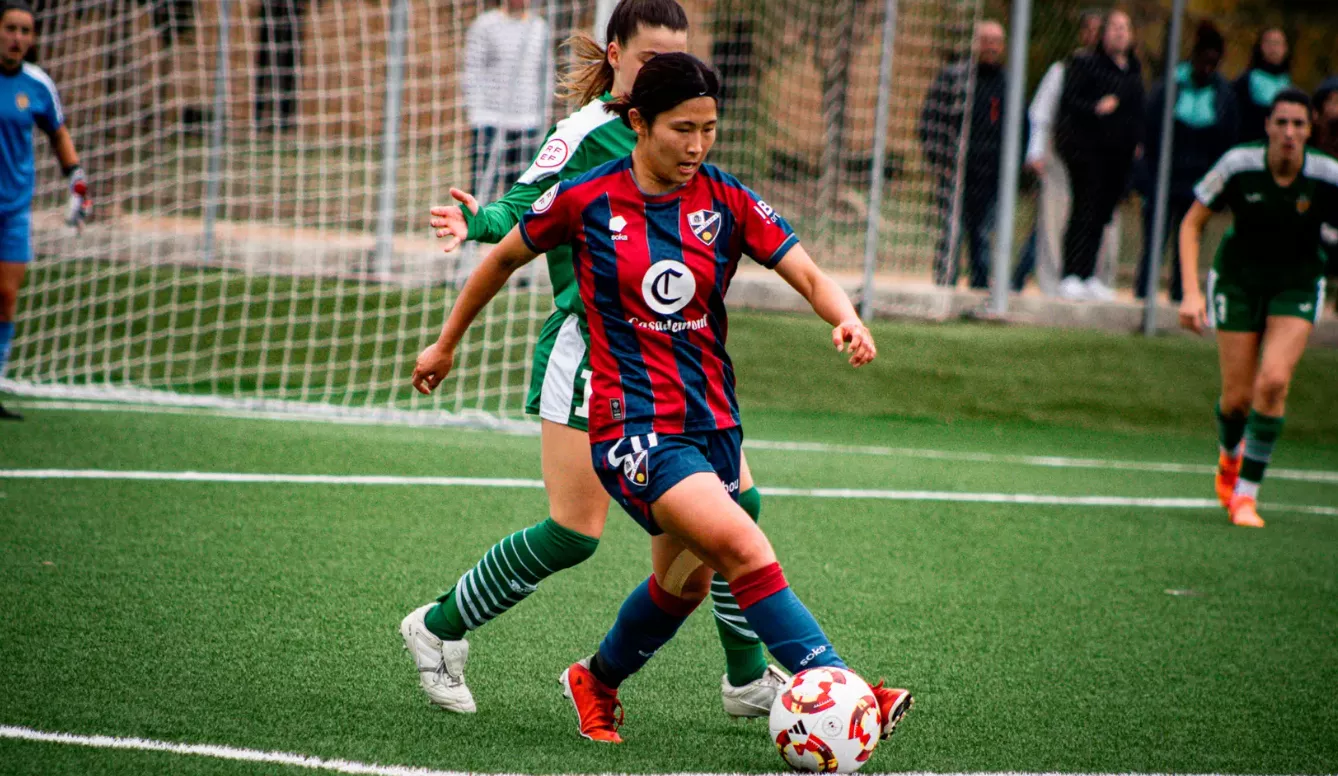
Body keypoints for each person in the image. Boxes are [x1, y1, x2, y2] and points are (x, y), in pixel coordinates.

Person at [412, 51, 912, 745]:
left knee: (685, 586)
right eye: (684, 128)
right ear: (640, 123)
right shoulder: (588, 197)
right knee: (742, 543)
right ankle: (847, 690)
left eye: (710, 128)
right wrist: (446, 343)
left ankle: (596, 679)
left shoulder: (726, 198)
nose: (698, 145)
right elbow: (502, 258)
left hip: (713, 422)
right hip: (632, 428)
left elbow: (803, 267)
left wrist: (844, 317)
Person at [404, 0, 788, 720]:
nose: (662, 74)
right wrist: (477, 222)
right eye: (647, 60)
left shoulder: (679, 129)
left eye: (673, 59)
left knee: (736, 507)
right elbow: (524, 208)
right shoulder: (585, 135)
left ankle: (745, 679)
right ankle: (438, 626)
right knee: (573, 534)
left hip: (668, 358)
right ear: (615, 56)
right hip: (592, 354)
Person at [1177, 89, 1337, 528]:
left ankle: (1245, 496)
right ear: (1267, 125)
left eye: (1299, 124)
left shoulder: (1328, 174)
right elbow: (1191, 224)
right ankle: (1229, 458)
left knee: (1274, 382)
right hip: (1238, 282)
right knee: (1237, 401)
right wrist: (1191, 293)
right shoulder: (1238, 164)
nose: (1289, 132)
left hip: (1296, 285)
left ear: (1310, 130)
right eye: (1281, 122)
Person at [0, 0, 89, 421]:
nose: (17, 37)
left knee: (5, 297)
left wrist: (76, 182)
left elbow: (58, 133)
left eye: (25, 31)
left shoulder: (37, 85)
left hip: (13, 208)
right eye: (10, 28)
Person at [1018, 10, 1123, 296]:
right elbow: (1041, 113)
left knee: (1098, 221)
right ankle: (1053, 283)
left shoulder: (1116, 71)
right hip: (1063, 155)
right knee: (1055, 220)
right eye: (1089, 30)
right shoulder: (1064, 69)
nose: (1094, 36)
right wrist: (1036, 152)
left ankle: (1094, 279)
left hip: (1098, 160)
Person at [1135, 22, 1237, 303]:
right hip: (1164, 176)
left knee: (1188, 237)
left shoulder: (1222, 95)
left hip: (1198, 180)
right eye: (1203, 60)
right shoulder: (1170, 87)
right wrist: (1146, 174)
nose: (1207, 68)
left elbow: (1226, 138)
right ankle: (1144, 296)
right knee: (1155, 236)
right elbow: (1149, 129)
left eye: (1213, 62)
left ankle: (1181, 295)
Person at [1055, 10, 1144, 301]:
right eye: (1114, 27)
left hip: (1117, 157)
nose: (1120, 32)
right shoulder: (1085, 64)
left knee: (1102, 216)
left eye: (1125, 27)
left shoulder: (1133, 71)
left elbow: (1137, 111)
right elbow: (1069, 101)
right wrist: (1095, 108)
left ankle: (1089, 275)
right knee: (1084, 209)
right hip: (1087, 152)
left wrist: (1137, 142)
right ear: (1103, 34)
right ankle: (1071, 274)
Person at [918, 21, 1007, 289]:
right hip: (955, 172)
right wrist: (941, 160)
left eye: (996, 41)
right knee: (951, 233)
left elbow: (1020, 130)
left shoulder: (1007, 84)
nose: (990, 46)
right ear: (975, 43)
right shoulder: (953, 78)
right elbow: (929, 122)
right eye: (985, 40)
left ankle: (980, 291)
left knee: (983, 235)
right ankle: (945, 286)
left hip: (991, 176)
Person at [463, 0, 551, 204]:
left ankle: (513, 235)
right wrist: (476, 113)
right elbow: (473, 70)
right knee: (482, 186)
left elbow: (545, 74)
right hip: (490, 119)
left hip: (527, 122)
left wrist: (541, 115)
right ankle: (472, 232)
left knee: (521, 190)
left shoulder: (539, 27)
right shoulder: (485, 25)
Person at [254, 0, 308, 133]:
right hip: (271, 9)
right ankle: (259, 118)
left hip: (294, 12)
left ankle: (284, 121)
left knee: (290, 66)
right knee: (265, 63)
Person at [1233, 28, 1290, 145]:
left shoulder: (1288, 84)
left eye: (1278, 44)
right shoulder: (1245, 81)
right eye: (1269, 43)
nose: (1273, 49)